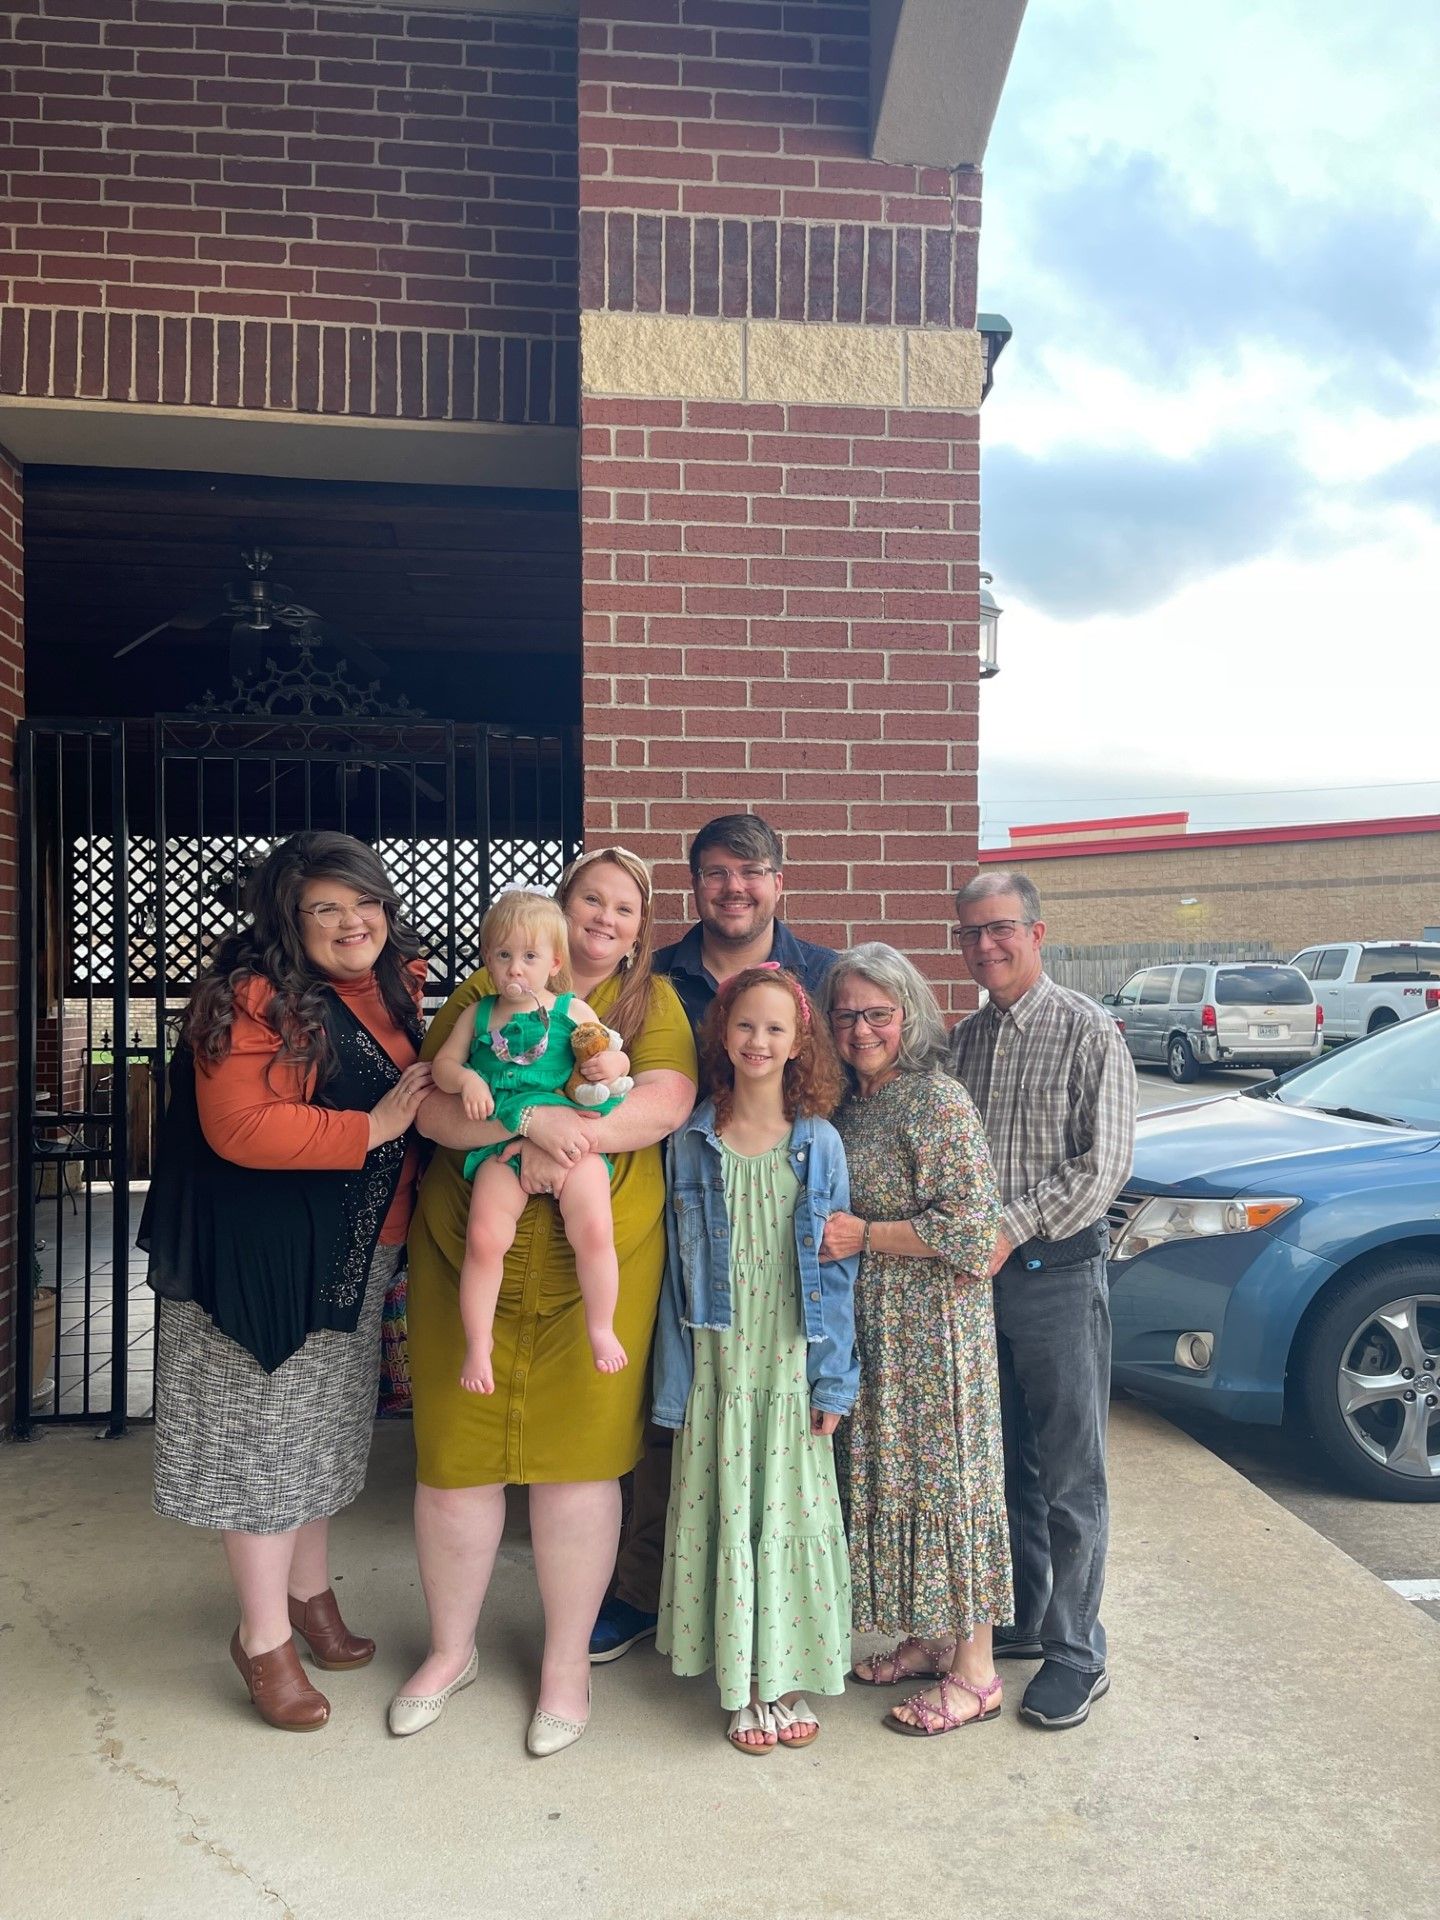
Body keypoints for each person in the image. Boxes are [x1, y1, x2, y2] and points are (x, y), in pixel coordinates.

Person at [394, 847, 697, 1756]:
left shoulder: (653, 1004)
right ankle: (452, 1652)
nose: (605, 918)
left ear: (640, 927)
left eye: (624, 907)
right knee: (455, 1460)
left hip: (593, 1269)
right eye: (589, 900)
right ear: (561, 914)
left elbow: (667, 1102)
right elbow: (433, 1108)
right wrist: (525, 1120)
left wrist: (572, 1135)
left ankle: (565, 1664)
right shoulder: (479, 997)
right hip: (469, 1256)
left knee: (581, 1464)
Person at [140, 832, 433, 1732]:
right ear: (288, 918)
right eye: (328, 908)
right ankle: (261, 1637)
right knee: (263, 1452)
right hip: (264, 1260)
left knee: (321, 1437)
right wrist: (373, 1128)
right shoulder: (255, 999)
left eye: (367, 903)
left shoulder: (388, 991)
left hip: (354, 1249)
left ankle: (310, 1598)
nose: (355, 922)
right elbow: (243, 1129)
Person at [591, 812, 838, 1664]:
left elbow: (864, 1083)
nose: (736, 888)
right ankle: (642, 1592)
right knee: (674, 1418)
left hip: (797, 1225)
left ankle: (780, 1613)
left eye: (753, 870)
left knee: (791, 1429)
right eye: (717, 873)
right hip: (680, 1218)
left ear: (780, 878)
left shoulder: (825, 977)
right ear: (696, 885)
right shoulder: (654, 977)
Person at [949, 871, 1137, 1731]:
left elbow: (1104, 1167)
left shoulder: (1088, 1030)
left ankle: (1076, 1651)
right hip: (980, 1283)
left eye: (1001, 929)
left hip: (1056, 1275)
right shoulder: (966, 1043)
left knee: (1070, 1473)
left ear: (1037, 930)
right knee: (1004, 1463)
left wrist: (1011, 1227)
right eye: (972, 933)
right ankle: (1025, 1619)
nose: (985, 945)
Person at [653, 967, 858, 1754]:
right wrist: (677, 1385)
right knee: (726, 1518)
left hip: (790, 1366)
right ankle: (741, 1686)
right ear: (723, 1035)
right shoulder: (691, 1141)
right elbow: (675, 1275)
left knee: (794, 1519)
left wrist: (835, 1378)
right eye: (745, 1026)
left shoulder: (820, 1145)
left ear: (800, 1041)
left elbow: (836, 1275)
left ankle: (787, 1676)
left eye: (775, 1029)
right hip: (719, 1372)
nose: (758, 1041)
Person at [816, 942, 1014, 1737]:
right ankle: (933, 1641)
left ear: (909, 1017)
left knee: (947, 1487)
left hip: (934, 1330)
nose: (862, 1029)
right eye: (847, 1014)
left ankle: (976, 1674)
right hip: (877, 1328)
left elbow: (973, 1229)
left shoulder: (937, 1100)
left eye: (878, 1014)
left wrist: (865, 1234)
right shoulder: (850, 1106)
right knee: (898, 1486)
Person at [429, 890, 632, 1393]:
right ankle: (479, 1343)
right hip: (500, 1138)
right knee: (483, 1239)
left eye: (529, 956)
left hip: (565, 1133)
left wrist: (613, 1065)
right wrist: (469, 1081)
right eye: (502, 955)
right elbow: (443, 1066)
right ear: (487, 959)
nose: (514, 968)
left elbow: (611, 1057)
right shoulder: (477, 1015)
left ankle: (600, 1328)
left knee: (594, 1229)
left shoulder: (571, 1009)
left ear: (554, 962)